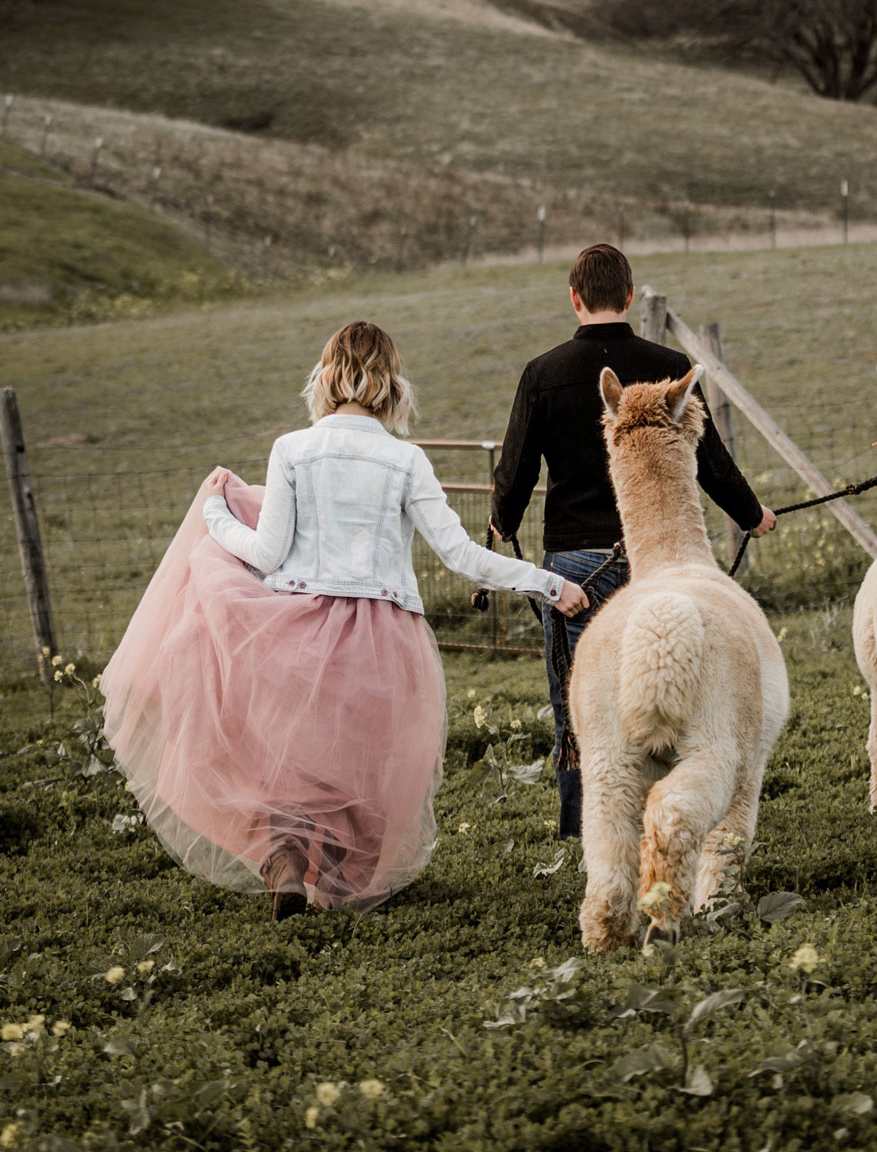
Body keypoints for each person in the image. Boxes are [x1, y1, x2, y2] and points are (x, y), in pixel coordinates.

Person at [100, 320, 588, 920]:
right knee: (358, 764)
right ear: (391, 383)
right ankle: (333, 881)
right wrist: (548, 581)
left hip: (295, 627)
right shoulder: (406, 461)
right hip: (382, 638)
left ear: (326, 376)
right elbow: (461, 557)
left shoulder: (292, 450)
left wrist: (215, 515)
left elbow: (267, 554)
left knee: (293, 755)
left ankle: (286, 863)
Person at [491, 244, 776, 838]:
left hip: (575, 567)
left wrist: (503, 523)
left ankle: (586, 828)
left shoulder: (542, 375)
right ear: (628, 295)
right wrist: (751, 515)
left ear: (574, 298)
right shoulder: (667, 366)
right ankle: (681, 798)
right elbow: (712, 459)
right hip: (658, 554)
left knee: (585, 704)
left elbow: (515, 470)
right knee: (682, 678)